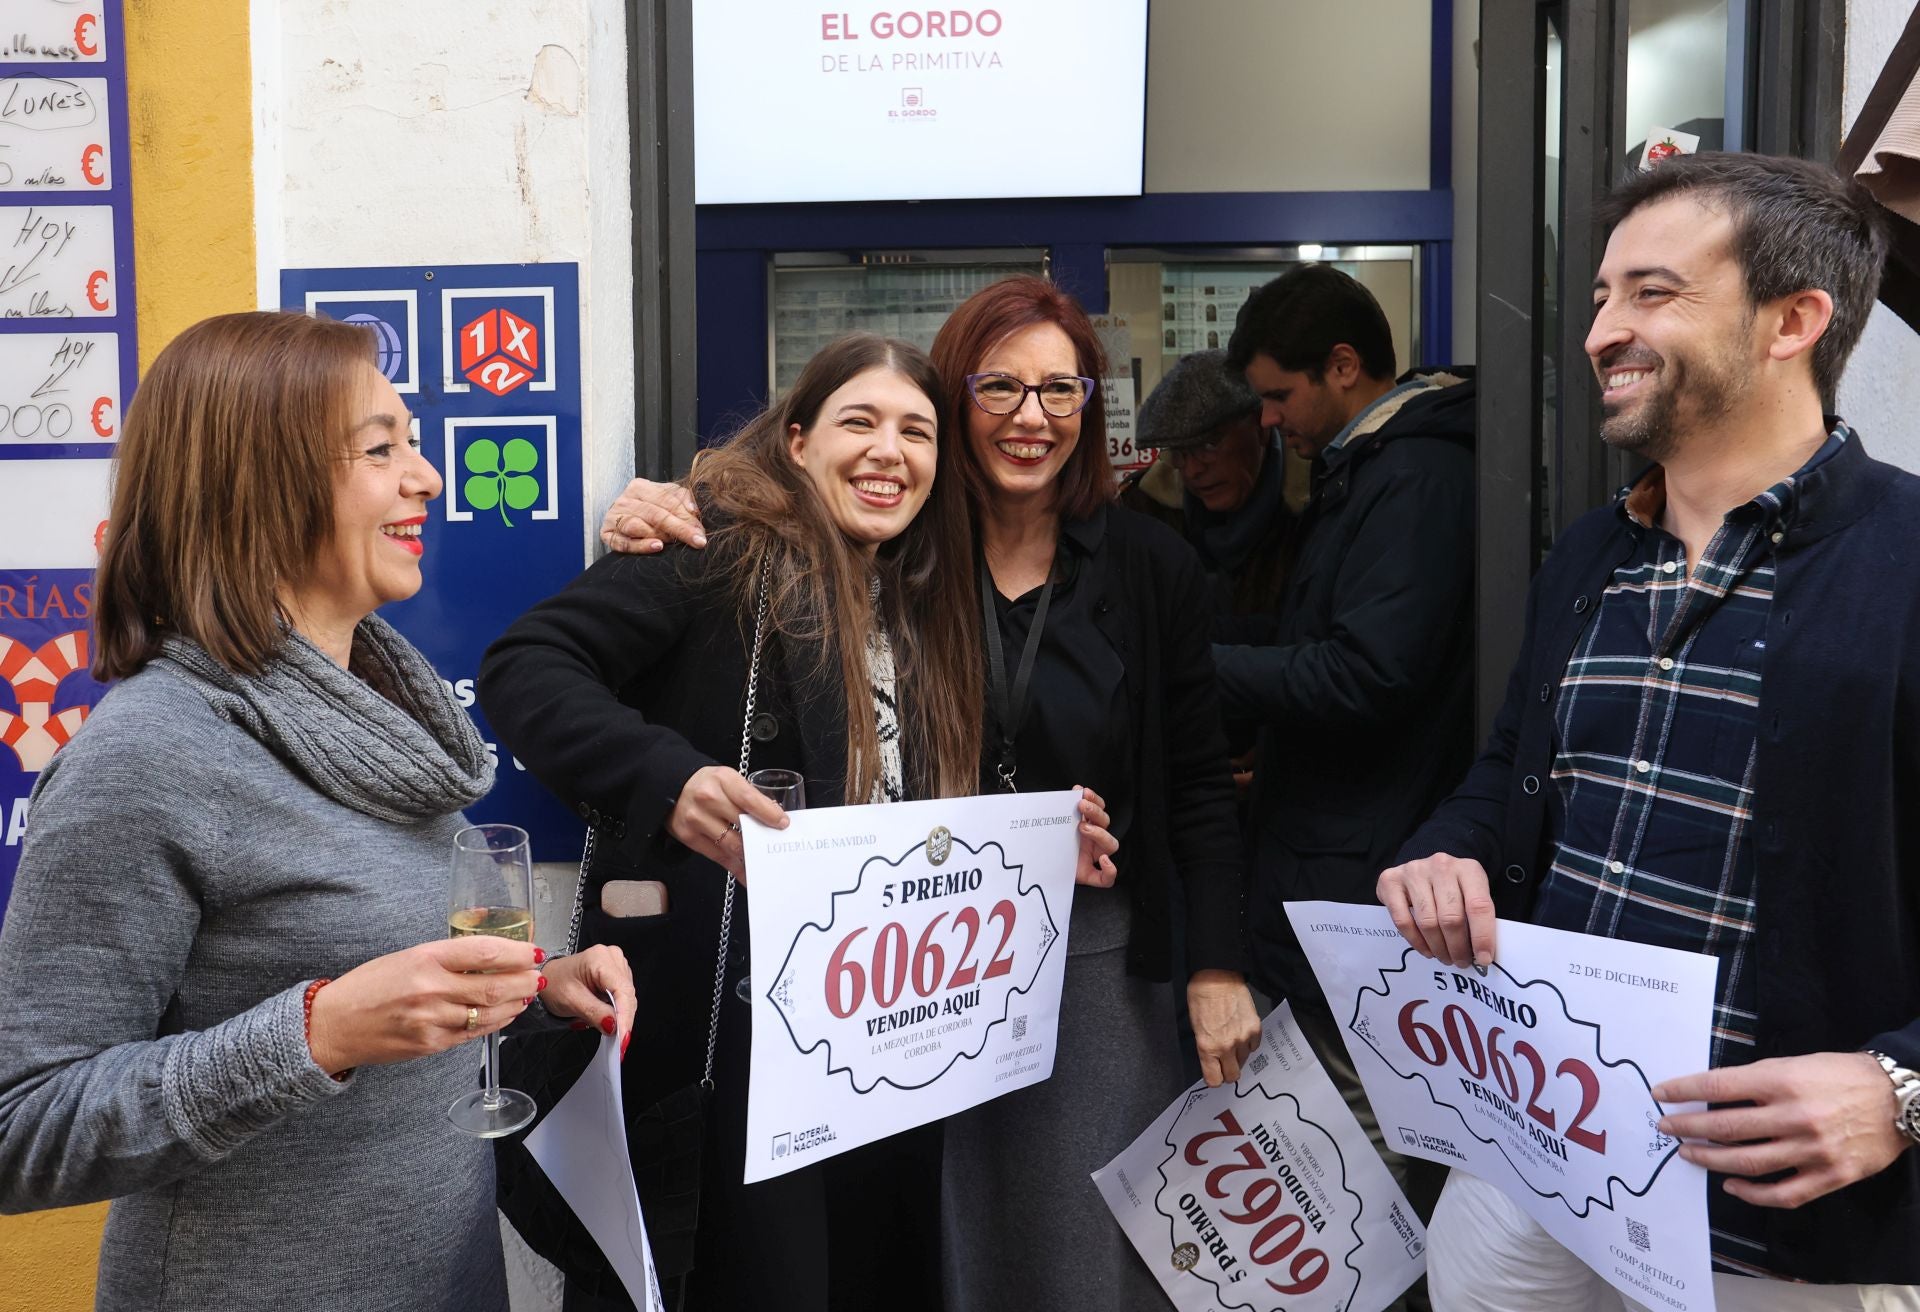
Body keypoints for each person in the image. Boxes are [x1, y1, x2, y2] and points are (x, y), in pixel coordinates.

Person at [596, 277, 1263, 1312]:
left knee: (1067, 1257)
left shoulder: (1148, 565)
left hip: (1086, 963)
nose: (1031, 417)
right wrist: (676, 501)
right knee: (923, 1246)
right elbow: (774, 504)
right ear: (959, 400)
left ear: (1092, 406)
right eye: (1000, 386)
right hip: (899, 966)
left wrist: (1217, 964)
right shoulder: (899, 540)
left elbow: (1200, 789)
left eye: (1060, 389)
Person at [0, 311, 636, 1312]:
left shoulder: (385, 718)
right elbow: (24, 1128)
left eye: (414, 443)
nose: (426, 479)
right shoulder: (150, 754)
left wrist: (534, 989)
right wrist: (316, 1033)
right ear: (262, 485)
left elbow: (374, 969)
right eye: (382, 450)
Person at [478, 334, 1119, 1312]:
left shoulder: (929, 596)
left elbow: (909, 810)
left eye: (916, 430)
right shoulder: (718, 550)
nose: (888, 450)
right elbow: (526, 665)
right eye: (859, 421)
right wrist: (670, 775)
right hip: (735, 1052)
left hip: (881, 1039)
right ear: (800, 438)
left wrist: (1031, 839)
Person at [1378, 153, 1920, 1309]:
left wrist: (1902, 1085)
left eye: (1652, 293)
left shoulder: (1910, 563)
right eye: (1600, 297)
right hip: (1536, 1155)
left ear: (1794, 320)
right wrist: (1447, 851)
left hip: (1776, 1232)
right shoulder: (1590, 555)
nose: (1601, 330)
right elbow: (1509, 776)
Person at [1209, 265, 1475, 1220]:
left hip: (1360, 876)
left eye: (1280, 396)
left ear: (1346, 366)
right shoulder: (1369, 465)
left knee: (1357, 1189)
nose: (1270, 422)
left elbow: (1368, 673)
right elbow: (1311, 642)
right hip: (1334, 861)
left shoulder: (1414, 474)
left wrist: (1199, 671)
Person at [1118, 348, 1294, 623]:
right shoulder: (1143, 511)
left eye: (1209, 445)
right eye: (1178, 452)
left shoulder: (1319, 504)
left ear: (1261, 428)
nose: (1192, 469)